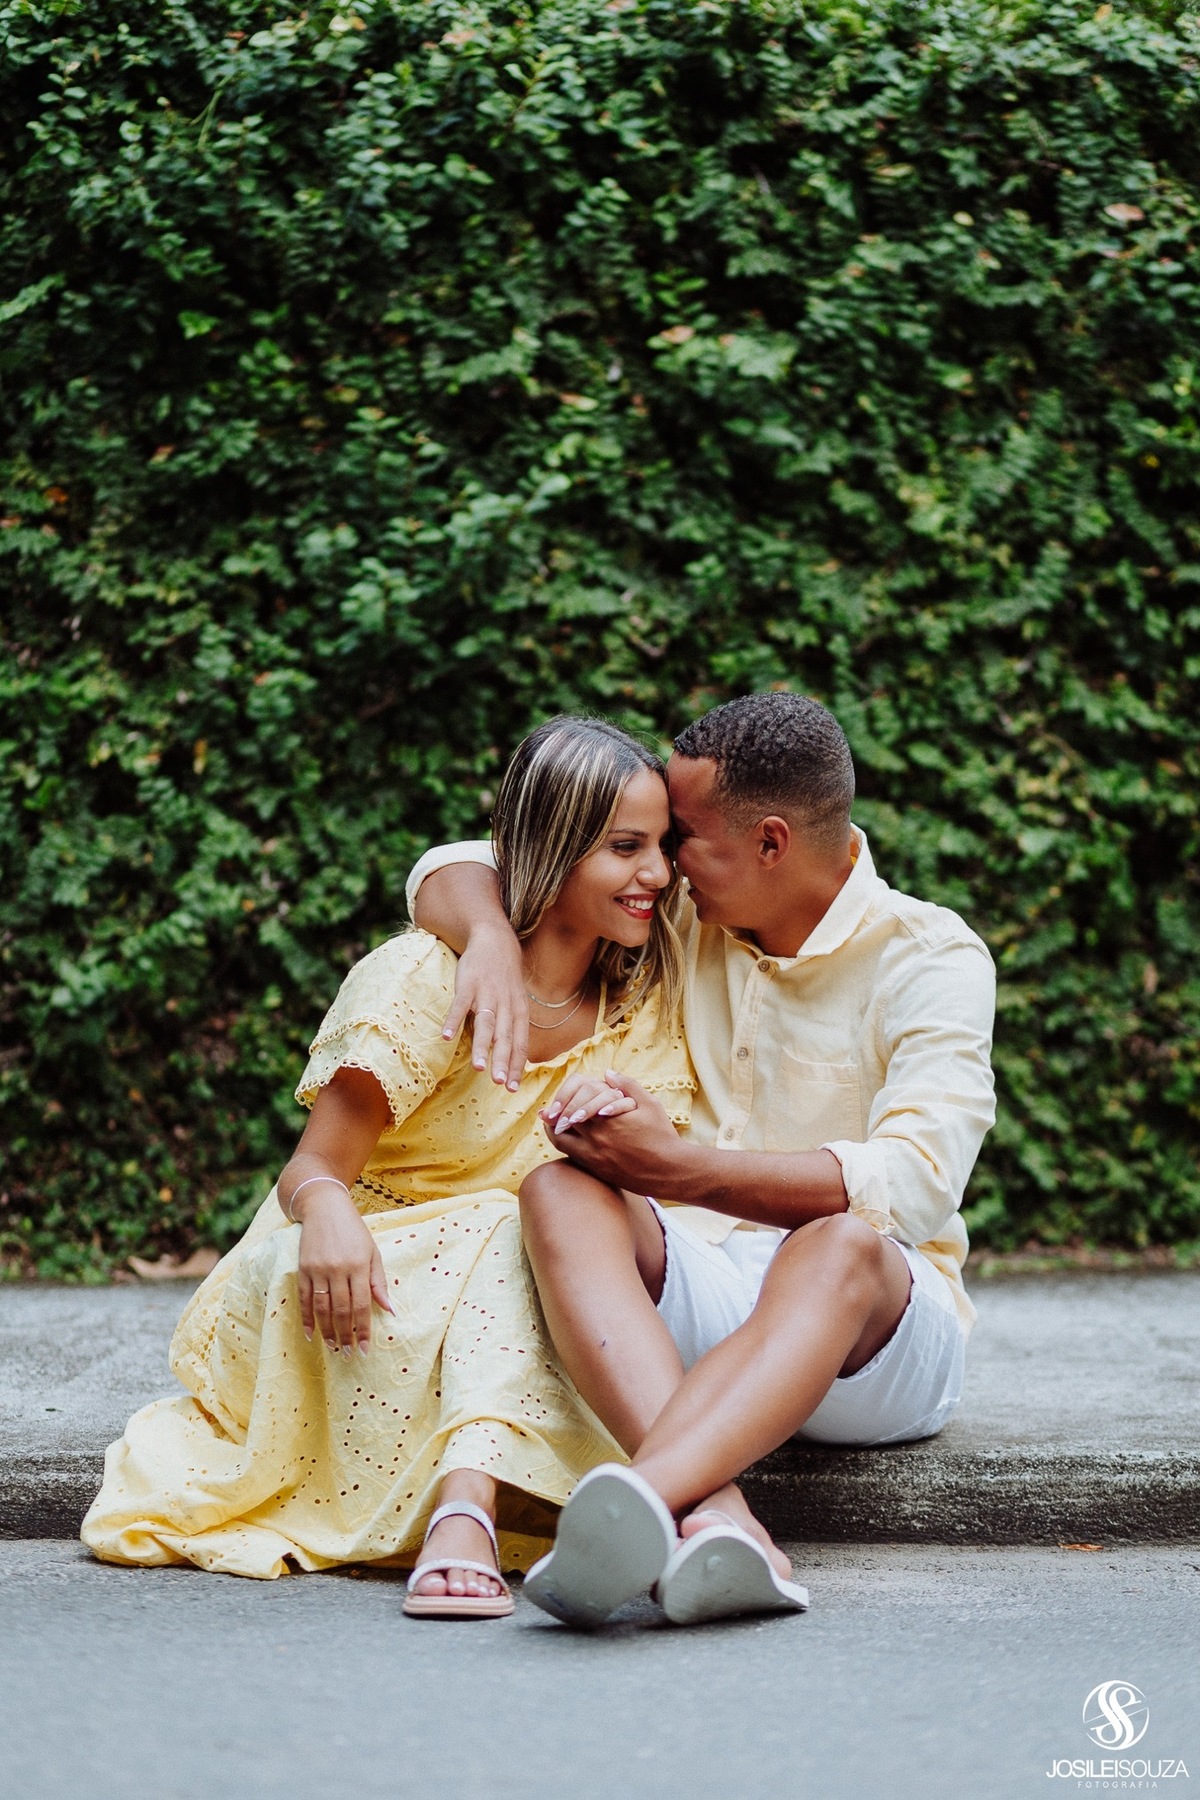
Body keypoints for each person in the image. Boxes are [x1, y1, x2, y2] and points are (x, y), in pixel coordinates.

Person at [82, 716, 693, 1618]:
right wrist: (326, 1209)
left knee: (524, 1222)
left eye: (664, 847)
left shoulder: (642, 997)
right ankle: (463, 1514)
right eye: (625, 848)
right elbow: (312, 1171)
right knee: (510, 1221)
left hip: (508, 1295)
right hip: (350, 1273)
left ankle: (472, 1499)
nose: (658, 874)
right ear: (552, 850)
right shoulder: (424, 972)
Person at [407, 691, 997, 1626]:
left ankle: (647, 1496)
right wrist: (484, 931)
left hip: (873, 1345)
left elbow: (914, 1188)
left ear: (770, 842)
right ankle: (724, 1526)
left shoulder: (931, 957)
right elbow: (459, 862)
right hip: (707, 1291)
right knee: (557, 1190)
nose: (663, 862)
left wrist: (672, 1167)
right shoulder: (687, 908)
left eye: (682, 837)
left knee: (838, 1238)